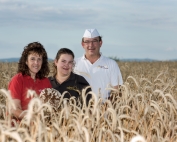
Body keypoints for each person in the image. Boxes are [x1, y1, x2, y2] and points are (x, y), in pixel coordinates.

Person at [74, 29, 123, 100]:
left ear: (100, 43)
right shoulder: (74, 63)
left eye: (94, 41)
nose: (91, 45)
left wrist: (106, 107)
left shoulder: (111, 64)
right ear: (83, 44)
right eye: (87, 41)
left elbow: (117, 91)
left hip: (106, 109)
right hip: (79, 109)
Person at [8, 42, 52, 120]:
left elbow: (50, 107)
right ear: (26, 61)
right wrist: (32, 117)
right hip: (19, 129)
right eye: (32, 59)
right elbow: (14, 109)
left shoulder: (46, 81)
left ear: (42, 62)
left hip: (40, 128)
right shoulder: (17, 80)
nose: (36, 63)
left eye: (39, 59)